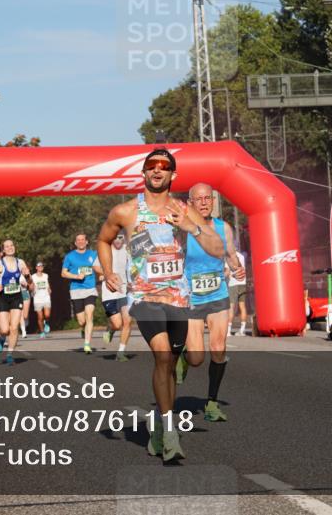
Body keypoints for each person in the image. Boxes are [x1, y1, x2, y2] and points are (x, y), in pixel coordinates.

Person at [98, 148, 225, 461]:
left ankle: (158, 424)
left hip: (178, 297)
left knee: (186, 360)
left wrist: (192, 227)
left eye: (164, 166)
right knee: (163, 356)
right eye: (151, 166)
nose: (157, 170)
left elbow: (217, 246)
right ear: (143, 173)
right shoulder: (125, 212)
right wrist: (110, 272)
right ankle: (170, 431)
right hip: (144, 297)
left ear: (173, 175)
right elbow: (103, 239)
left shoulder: (183, 210)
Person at [177, 183, 245, 423]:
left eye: (208, 198)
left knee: (218, 348)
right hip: (192, 297)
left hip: (217, 294)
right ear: (191, 202)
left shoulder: (222, 227)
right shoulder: (183, 228)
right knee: (197, 358)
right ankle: (185, 359)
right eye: (199, 199)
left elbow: (231, 255)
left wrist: (237, 268)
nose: (204, 202)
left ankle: (212, 403)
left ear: (213, 201)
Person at [0, 239, 31, 364]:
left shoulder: (20, 262)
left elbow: (30, 282)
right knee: (5, 329)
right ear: (3, 250)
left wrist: (27, 276)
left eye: (12, 245)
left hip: (16, 296)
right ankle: (1, 338)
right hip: (3, 297)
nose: (10, 248)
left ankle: (10, 353)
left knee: (14, 327)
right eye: (7, 246)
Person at [96, 233, 132, 361]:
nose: (117, 240)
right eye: (115, 238)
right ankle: (110, 329)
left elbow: (136, 265)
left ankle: (120, 352)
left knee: (127, 321)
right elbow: (95, 266)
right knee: (117, 324)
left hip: (125, 290)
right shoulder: (105, 250)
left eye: (120, 238)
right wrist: (106, 273)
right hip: (109, 291)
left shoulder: (128, 250)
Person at [62, 233, 99, 354]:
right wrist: (76, 276)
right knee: (81, 321)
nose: (81, 242)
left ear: (87, 242)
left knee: (89, 315)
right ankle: (83, 329)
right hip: (76, 289)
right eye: (78, 240)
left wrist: (103, 274)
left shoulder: (93, 254)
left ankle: (87, 344)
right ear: (75, 243)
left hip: (90, 289)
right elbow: (63, 273)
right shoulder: (70, 256)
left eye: (83, 239)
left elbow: (99, 266)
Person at [227, 249, 248, 336]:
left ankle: (228, 331)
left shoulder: (229, 257)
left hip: (233, 284)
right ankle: (242, 330)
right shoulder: (242, 256)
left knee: (231, 307)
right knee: (242, 307)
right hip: (243, 283)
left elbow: (228, 272)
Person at [30, 261, 52, 338]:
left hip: (46, 297)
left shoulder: (46, 275)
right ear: (36, 268)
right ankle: (42, 331)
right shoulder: (33, 277)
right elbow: (30, 286)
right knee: (40, 317)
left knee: (47, 315)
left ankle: (47, 323)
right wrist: (31, 288)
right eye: (39, 266)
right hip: (37, 298)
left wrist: (49, 289)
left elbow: (47, 284)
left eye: (41, 266)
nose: (40, 267)